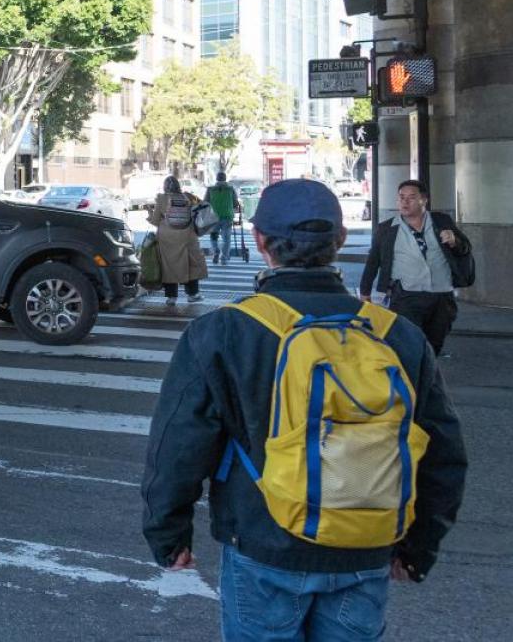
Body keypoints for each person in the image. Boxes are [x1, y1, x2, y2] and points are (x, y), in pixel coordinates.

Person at [142, 178, 467, 641]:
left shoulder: (225, 331)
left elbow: (178, 444)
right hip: (367, 548)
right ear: (338, 242)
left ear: (259, 242)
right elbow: (444, 451)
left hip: (264, 545)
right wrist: (418, 546)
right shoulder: (397, 335)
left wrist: (167, 533)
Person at [360, 179, 473, 355]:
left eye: (411, 197)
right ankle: (415, 378)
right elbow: (373, 261)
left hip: (441, 295)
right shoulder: (387, 229)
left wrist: (454, 241)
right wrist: (365, 293)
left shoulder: (441, 221)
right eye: (401, 197)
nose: (405, 202)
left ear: (424, 200)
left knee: (434, 344)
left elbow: (464, 248)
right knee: (410, 343)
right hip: (406, 296)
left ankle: (427, 373)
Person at [148, 175, 209, 306]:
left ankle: (171, 298)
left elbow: (155, 221)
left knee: (168, 266)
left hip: (167, 237)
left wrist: (149, 214)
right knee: (190, 264)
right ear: (178, 186)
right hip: (188, 235)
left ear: (165, 187)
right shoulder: (188, 196)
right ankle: (193, 294)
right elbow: (202, 207)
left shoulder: (161, 198)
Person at [205, 172, 239, 265]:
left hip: (213, 217)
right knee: (226, 239)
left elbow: (205, 202)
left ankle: (216, 251)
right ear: (225, 178)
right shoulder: (230, 189)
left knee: (213, 236)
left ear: (216, 179)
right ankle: (223, 258)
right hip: (227, 216)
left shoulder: (210, 189)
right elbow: (235, 203)